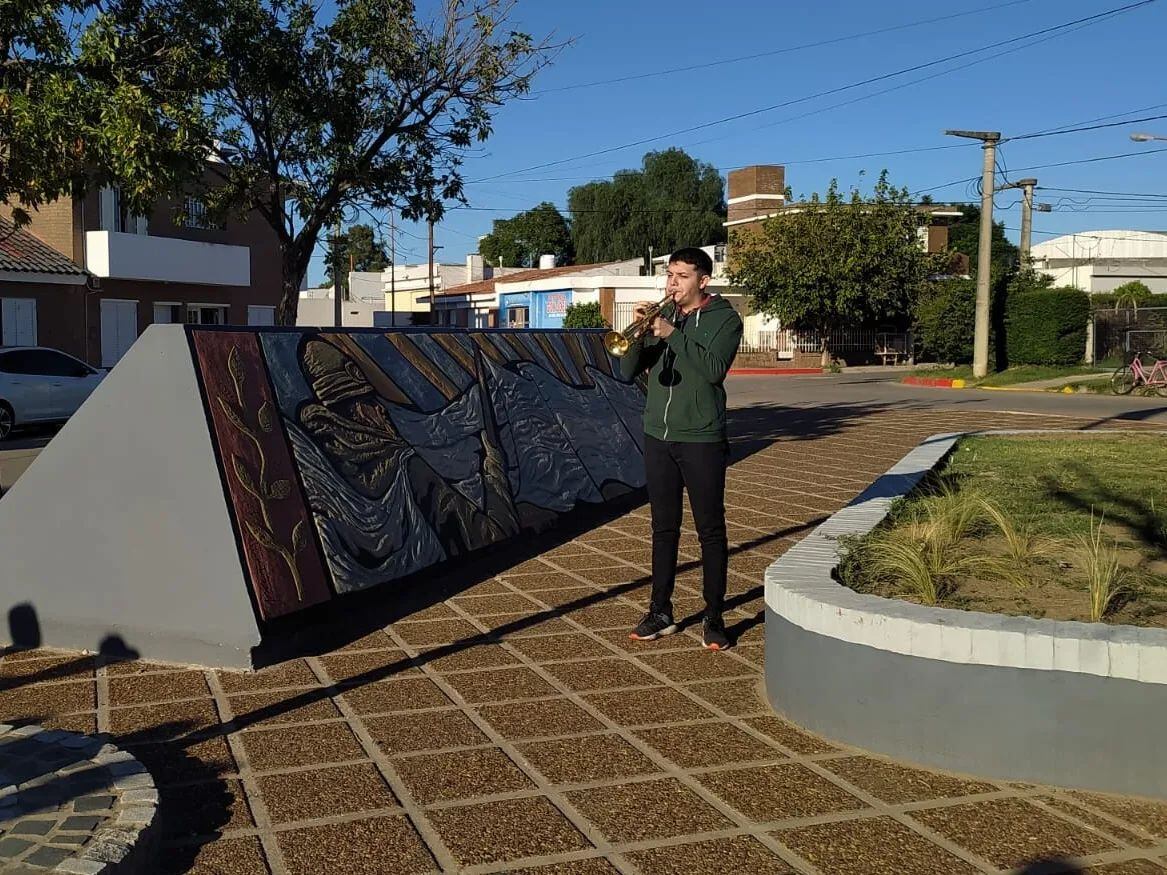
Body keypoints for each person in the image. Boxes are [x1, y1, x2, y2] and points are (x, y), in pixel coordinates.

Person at [619, 247, 743, 651]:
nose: (672, 283)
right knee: (662, 527)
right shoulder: (665, 316)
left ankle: (713, 615)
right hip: (659, 434)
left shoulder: (725, 319)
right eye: (669, 275)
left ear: (703, 281)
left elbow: (712, 371)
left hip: (702, 437)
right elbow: (626, 371)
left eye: (682, 276)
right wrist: (638, 335)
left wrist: (675, 335)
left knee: (710, 529)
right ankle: (660, 610)